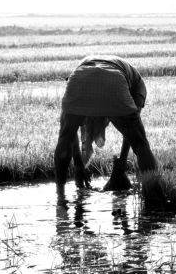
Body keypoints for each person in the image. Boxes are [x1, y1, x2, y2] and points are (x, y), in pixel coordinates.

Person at [54, 55, 158, 191]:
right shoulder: (139, 85)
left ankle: (60, 197)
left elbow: (70, 133)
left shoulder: (83, 68)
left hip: (79, 77)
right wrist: (122, 161)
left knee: (65, 137)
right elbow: (131, 131)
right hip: (114, 79)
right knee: (141, 144)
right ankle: (152, 195)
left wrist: (79, 165)